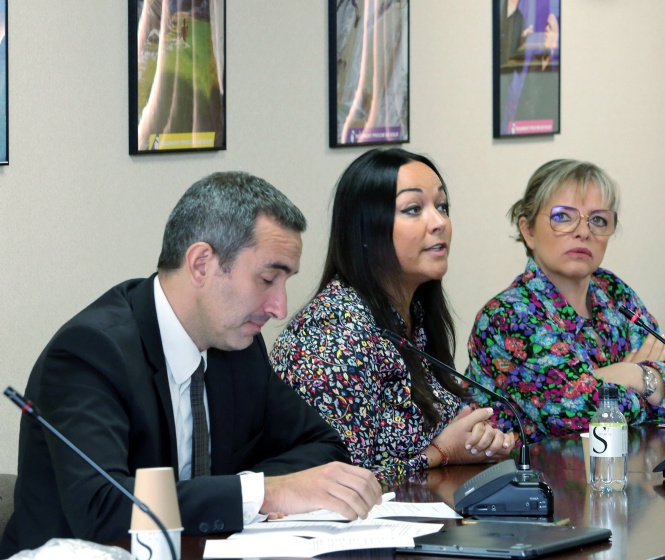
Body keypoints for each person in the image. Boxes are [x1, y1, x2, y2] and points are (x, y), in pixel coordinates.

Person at [0, 172, 382, 557]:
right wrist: (264, 493)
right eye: (267, 279)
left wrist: (242, 492)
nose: (279, 307)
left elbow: (323, 445)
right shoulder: (92, 352)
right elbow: (102, 506)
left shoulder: (238, 345)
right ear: (201, 263)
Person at [272, 149, 513, 482]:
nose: (439, 222)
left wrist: (479, 438)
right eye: (414, 209)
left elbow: (447, 425)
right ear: (366, 229)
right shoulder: (334, 333)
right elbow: (336, 484)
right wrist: (440, 453)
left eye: (442, 206)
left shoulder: (413, 315)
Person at [466, 159, 665, 443]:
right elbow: (577, 415)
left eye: (598, 220)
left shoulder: (613, 291)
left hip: (621, 473)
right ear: (528, 231)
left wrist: (628, 376)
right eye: (563, 216)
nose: (583, 231)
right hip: (539, 481)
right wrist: (647, 383)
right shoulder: (506, 316)